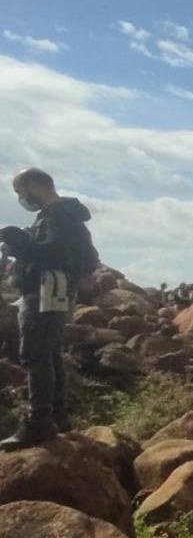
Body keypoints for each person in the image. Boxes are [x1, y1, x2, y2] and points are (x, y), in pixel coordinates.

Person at [0, 168, 98, 451]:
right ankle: (57, 417)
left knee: (35, 354)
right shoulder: (64, 214)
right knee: (50, 353)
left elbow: (53, 252)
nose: (21, 198)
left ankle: (38, 423)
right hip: (55, 292)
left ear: (35, 185)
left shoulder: (57, 215)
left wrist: (23, 242)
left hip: (44, 292)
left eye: (20, 191)